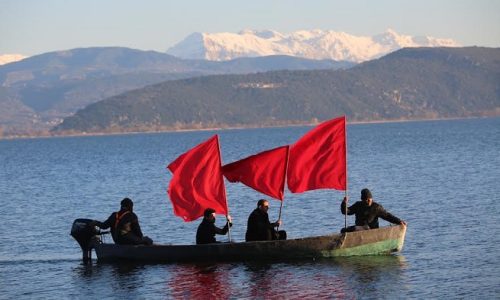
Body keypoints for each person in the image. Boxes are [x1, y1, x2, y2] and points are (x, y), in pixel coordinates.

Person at [341, 188, 407, 233]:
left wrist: (399, 221)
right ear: (362, 200)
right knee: (343, 230)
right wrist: (344, 203)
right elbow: (346, 211)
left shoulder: (376, 207)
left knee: (363, 228)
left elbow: (387, 216)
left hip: (372, 231)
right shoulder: (358, 205)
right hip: (359, 230)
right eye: (366, 199)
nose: (368, 201)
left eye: (369, 199)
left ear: (371, 198)